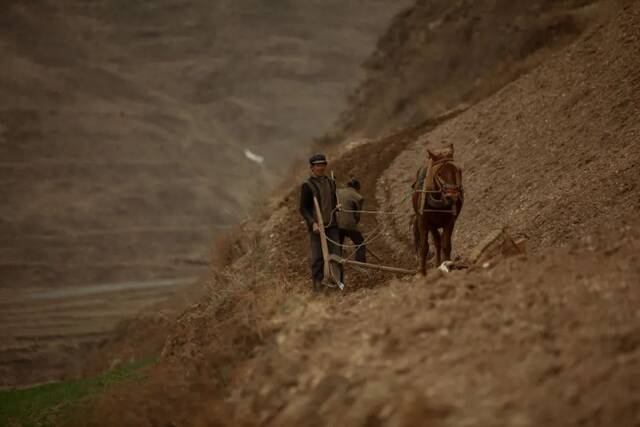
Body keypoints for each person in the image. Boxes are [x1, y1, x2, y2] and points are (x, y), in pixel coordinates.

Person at [299, 154, 342, 292]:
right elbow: (303, 208)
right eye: (317, 165)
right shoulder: (307, 185)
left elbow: (333, 201)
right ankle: (318, 290)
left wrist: (337, 206)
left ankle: (339, 286)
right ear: (312, 168)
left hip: (332, 225)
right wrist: (312, 223)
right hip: (317, 228)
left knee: (336, 257)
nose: (320, 168)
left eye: (322, 165)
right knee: (318, 259)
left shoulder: (331, 182)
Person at [337, 178, 366, 263]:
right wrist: (354, 226)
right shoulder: (358, 197)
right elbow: (357, 216)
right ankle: (360, 264)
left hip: (336, 223)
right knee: (360, 244)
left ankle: (337, 263)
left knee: (338, 244)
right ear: (357, 188)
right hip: (348, 224)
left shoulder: (339, 192)